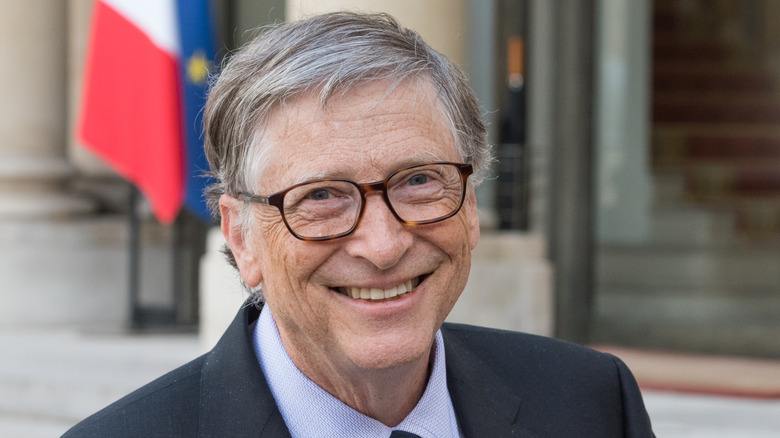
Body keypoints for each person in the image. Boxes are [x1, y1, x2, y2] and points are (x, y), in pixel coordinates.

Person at [64, 12, 654, 437]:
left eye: (419, 180)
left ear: (470, 205)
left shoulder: (591, 403)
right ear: (242, 238)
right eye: (320, 195)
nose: (383, 245)